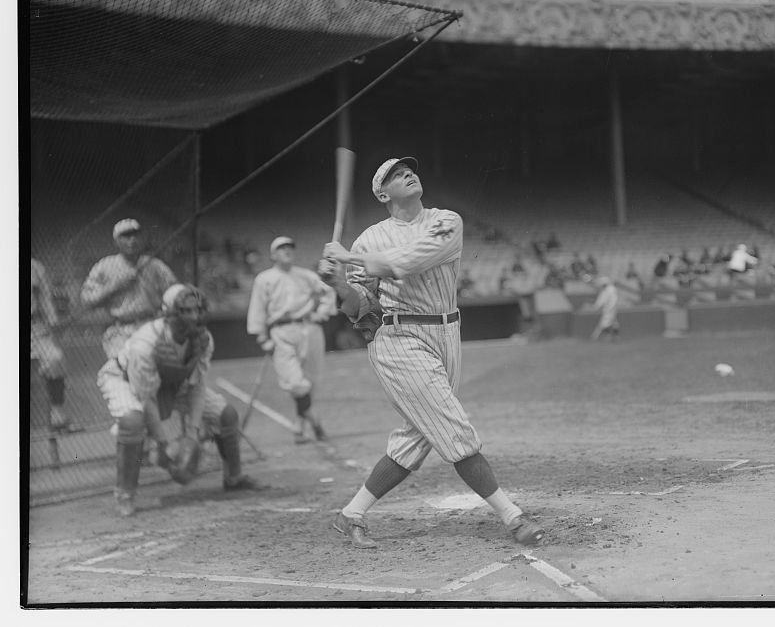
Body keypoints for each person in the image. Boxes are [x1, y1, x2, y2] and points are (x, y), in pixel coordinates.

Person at [318, 156, 544, 549]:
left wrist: (349, 258)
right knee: (452, 427)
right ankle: (513, 516)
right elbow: (361, 308)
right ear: (381, 193)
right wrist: (339, 283)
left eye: (409, 169)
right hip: (398, 337)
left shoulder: (446, 220)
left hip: (447, 332)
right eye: (395, 174)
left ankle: (351, 514)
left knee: (418, 435)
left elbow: (412, 259)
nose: (408, 173)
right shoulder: (369, 238)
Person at [96, 284, 267, 516]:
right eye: (185, 311)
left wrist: (193, 435)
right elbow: (147, 399)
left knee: (227, 415)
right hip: (124, 378)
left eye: (197, 310)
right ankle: (125, 495)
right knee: (133, 421)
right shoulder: (145, 344)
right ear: (169, 314)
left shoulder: (203, 339)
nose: (193, 316)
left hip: (173, 382)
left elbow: (196, 386)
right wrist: (164, 445)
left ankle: (234, 477)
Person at [247, 236, 335, 445]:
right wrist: (262, 338)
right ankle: (315, 420)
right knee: (296, 383)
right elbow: (258, 308)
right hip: (282, 331)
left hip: (309, 328)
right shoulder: (264, 278)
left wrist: (321, 313)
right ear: (273, 254)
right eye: (281, 248)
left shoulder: (305, 275)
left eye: (289, 247)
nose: (286, 251)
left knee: (311, 381)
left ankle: (299, 427)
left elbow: (329, 292)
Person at [81, 219, 178, 360]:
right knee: (124, 368)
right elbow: (86, 300)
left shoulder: (154, 265)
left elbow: (175, 292)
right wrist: (113, 288)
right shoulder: (105, 266)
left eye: (135, 235)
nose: (132, 240)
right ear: (116, 241)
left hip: (151, 325)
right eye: (126, 236)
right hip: (120, 329)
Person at [31, 257, 73, 431]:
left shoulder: (34, 266)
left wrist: (52, 321)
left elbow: (45, 298)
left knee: (55, 358)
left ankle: (57, 413)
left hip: (33, 326)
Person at [590, 276, 620, 342]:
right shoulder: (605, 290)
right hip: (609, 309)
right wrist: (596, 306)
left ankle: (595, 337)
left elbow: (613, 300)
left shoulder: (611, 289)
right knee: (613, 323)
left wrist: (609, 308)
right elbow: (600, 301)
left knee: (604, 323)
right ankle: (613, 337)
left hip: (610, 309)